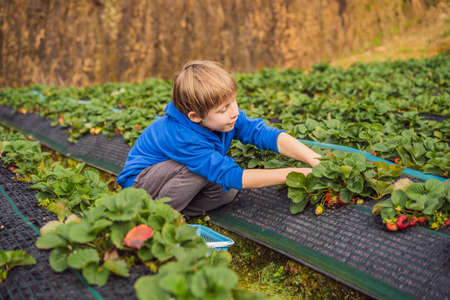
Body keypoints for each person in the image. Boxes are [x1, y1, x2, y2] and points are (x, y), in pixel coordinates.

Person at [117, 60, 321, 217]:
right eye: (223, 109)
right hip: (140, 184)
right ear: (195, 116)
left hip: (174, 181)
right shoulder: (182, 136)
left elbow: (263, 134)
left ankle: (175, 212)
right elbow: (229, 173)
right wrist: (290, 174)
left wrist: (313, 158)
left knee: (227, 191)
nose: (234, 112)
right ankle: (155, 218)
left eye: (233, 102)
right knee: (200, 173)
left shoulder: (230, 116)